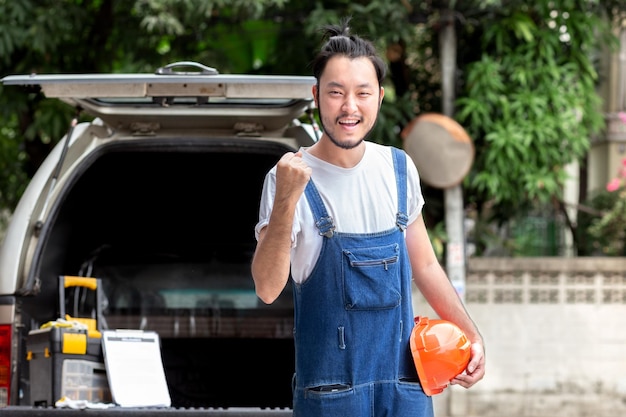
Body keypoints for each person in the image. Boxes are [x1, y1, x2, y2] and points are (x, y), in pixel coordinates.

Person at [251, 17, 485, 417]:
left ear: (378, 96)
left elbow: (425, 265)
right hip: (331, 398)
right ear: (316, 96)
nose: (349, 107)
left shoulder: (398, 168)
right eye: (336, 93)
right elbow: (267, 288)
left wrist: (471, 334)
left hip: (406, 392)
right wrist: (287, 202)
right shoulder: (286, 178)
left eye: (362, 93)